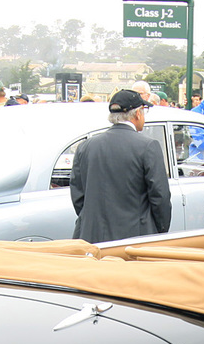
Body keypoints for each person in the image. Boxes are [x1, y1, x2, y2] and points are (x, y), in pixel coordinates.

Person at [69, 90, 172, 244]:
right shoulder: (148, 146)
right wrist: (160, 229)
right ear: (138, 114)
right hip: (135, 237)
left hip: (92, 236)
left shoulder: (86, 146)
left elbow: (78, 194)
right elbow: (160, 196)